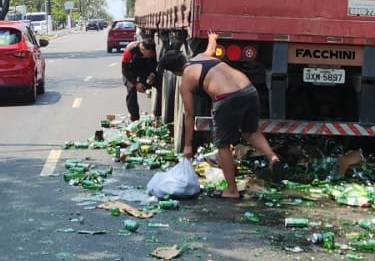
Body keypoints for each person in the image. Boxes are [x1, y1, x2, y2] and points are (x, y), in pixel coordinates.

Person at [160, 32, 284, 200]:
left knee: (223, 145)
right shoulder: (201, 56)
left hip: (227, 99)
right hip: (249, 90)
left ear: (174, 72)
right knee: (250, 131)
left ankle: (232, 190)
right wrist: (212, 37)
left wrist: (188, 145)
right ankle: (273, 157)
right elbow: (212, 48)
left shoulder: (186, 80)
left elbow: (189, 115)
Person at [120, 38, 158, 121]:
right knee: (132, 89)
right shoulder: (130, 50)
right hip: (130, 72)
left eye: (152, 53)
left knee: (157, 82)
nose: (151, 55)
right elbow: (124, 69)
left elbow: (154, 65)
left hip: (143, 69)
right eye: (149, 53)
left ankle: (157, 113)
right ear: (142, 49)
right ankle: (134, 118)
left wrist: (152, 75)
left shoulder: (152, 51)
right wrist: (136, 83)